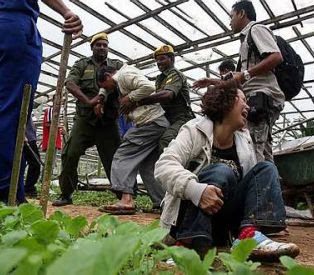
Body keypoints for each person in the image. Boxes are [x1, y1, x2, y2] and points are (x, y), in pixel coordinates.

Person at [154, 85, 299, 260]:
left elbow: (250, 188)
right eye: (243, 101)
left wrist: (263, 216)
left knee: (266, 168)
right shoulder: (194, 130)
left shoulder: (244, 140)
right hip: (187, 221)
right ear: (226, 101)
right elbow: (164, 165)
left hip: (222, 223)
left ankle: (248, 237)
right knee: (222, 170)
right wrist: (196, 190)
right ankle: (187, 244)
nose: (248, 106)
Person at [0, 0, 83, 204]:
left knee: (5, 111)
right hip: (16, 26)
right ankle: (1, 192)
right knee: (13, 112)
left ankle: (10, 190)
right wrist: (67, 11)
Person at [193, 0, 284, 162]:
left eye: (232, 16)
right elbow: (238, 79)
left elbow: (276, 57)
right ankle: (271, 183)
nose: (230, 21)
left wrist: (245, 75)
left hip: (262, 98)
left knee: (253, 151)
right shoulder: (245, 41)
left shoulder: (256, 29)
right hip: (257, 99)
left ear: (242, 13)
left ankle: (259, 184)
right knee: (263, 151)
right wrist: (211, 81)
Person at [53, 33, 123, 206]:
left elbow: (125, 83)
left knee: (116, 158)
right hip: (85, 120)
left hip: (108, 122)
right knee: (70, 154)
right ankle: (66, 193)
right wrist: (90, 102)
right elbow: (70, 83)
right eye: (98, 45)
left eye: (105, 45)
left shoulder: (117, 65)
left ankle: (124, 195)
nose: (101, 48)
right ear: (92, 47)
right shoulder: (82, 64)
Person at [98, 65, 169, 214]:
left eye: (106, 86)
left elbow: (148, 87)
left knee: (123, 155)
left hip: (150, 122)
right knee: (147, 165)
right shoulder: (119, 79)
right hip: (157, 123)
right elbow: (106, 88)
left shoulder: (124, 75)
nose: (109, 90)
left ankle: (126, 200)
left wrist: (130, 99)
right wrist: (102, 95)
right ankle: (163, 202)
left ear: (108, 76)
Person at [121, 45, 194, 154]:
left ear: (172, 59)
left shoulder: (174, 74)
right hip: (167, 118)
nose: (158, 62)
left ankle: (174, 170)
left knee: (166, 140)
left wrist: (137, 102)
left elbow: (167, 95)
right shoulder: (159, 79)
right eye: (157, 60)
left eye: (162, 59)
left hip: (181, 118)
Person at [23, 118, 41, 197]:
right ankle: (29, 188)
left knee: (34, 163)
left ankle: (28, 188)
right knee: (35, 163)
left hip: (29, 137)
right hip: (27, 138)